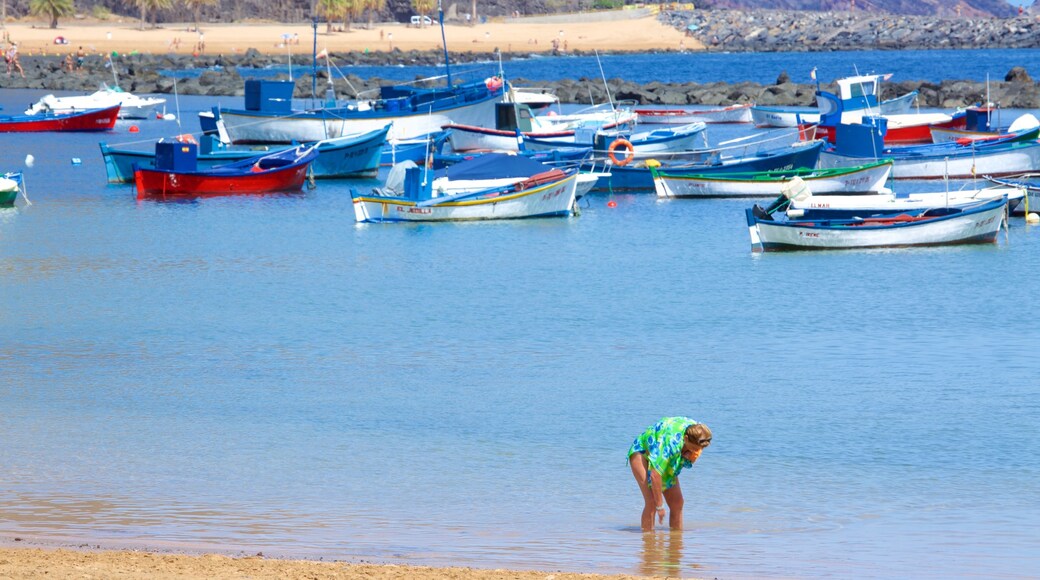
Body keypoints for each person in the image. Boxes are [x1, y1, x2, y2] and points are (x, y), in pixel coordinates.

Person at [627, 417, 712, 532]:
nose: (695, 451)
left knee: (677, 503)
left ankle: (675, 543)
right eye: (693, 448)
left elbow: (699, 444)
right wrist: (660, 506)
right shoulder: (670, 444)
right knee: (652, 501)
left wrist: (689, 453)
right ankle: (648, 543)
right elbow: (655, 475)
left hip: (666, 453)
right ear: (686, 439)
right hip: (642, 452)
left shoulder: (698, 430)